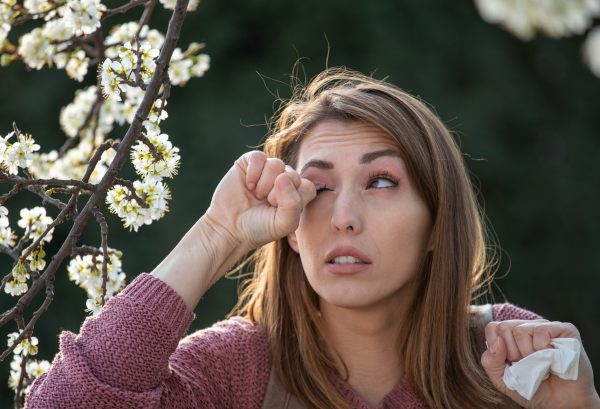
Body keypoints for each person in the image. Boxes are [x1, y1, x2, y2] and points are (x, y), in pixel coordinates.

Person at [25, 68, 599, 409]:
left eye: (380, 182)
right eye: (317, 188)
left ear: (435, 223)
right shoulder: (240, 372)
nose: (343, 217)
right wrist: (217, 233)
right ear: (291, 228)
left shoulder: (505, 355)